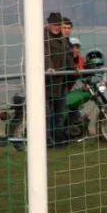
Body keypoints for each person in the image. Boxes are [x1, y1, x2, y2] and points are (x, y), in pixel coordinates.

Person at [44, 12, 75, 148]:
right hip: (46, 84)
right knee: (45, 115)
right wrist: (49, 67)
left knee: (59, 114)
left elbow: (67, 55)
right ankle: (46, 141)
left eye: (59, 25)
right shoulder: (43, 37)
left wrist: (74, 69)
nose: (57, 28)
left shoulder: (63, 38)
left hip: (61, 83)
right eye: (55, 25)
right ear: (48, 24)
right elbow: (45, 55)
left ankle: (59, 141)